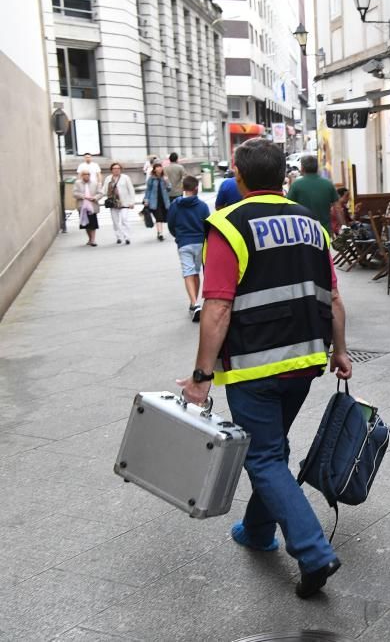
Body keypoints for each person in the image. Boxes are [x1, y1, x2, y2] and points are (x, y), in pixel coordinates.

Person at [177, 137, 352, 599]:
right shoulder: (313, 226)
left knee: (263, 456)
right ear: (284, 177)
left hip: (255, 365)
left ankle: (313, 551)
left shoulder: (229, 225)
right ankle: (256, 530)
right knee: (270, 450)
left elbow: (216, 308)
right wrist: (341, 351)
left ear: (238, 174)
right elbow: (333, 297)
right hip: (307, 361)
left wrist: (201, 376)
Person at [167, 175, 211, 322]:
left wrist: (178, 236)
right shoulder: (203, 206)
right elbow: (208, 226)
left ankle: (194, 303)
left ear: (183, 188)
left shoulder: (175, 205)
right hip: (200, 242)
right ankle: (194, 303)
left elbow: (171, 224)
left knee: (188, 272)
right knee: (195, 272)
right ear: (196, 188)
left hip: (184, 242)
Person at [286, 155, 339, 234]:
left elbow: (288, 207)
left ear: (302, 168)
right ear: (317, 168)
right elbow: (338, 208)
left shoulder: (296, 185)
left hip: (304, 231)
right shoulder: (328, 184)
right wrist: (344, 225)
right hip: (324, 231)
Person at [103, 162, 136, 245]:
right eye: (114, 168)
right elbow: (104, 189)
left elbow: (131, 189)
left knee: (124, 219)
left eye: (118, 168)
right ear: (111, 170)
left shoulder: (125, 178)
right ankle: (118, 236)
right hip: (113, 203)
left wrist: (132, 202)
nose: (116, 170)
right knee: (115, 221)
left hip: (124, 202)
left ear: (120, 169)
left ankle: (127, 237)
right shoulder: (108, 178)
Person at [73, 169, 102, 246]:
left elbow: (100, 193)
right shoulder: (77, 183)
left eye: (88, 174)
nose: (86, 176)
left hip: (92, 206)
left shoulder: (95, 183)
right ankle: (90, 239)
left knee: (93, 224)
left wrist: (95, 198)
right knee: (86, 224)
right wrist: (83, 196)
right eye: (85, 174)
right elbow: (74, 193)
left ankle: (93, 240)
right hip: (82, 206)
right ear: (82, 176)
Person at [144, 163, 171, 241]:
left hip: (164, 201)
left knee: (164, 217)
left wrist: (166, 181)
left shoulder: (164, 178)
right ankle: (160, 233)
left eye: (160, 167)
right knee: (158, 218)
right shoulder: (151, 179)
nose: (159, 169)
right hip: (154, 201)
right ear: (154, 169)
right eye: (157, 168)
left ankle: (160, 232)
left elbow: (169, 188)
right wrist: (146, 200)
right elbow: (148, 190)